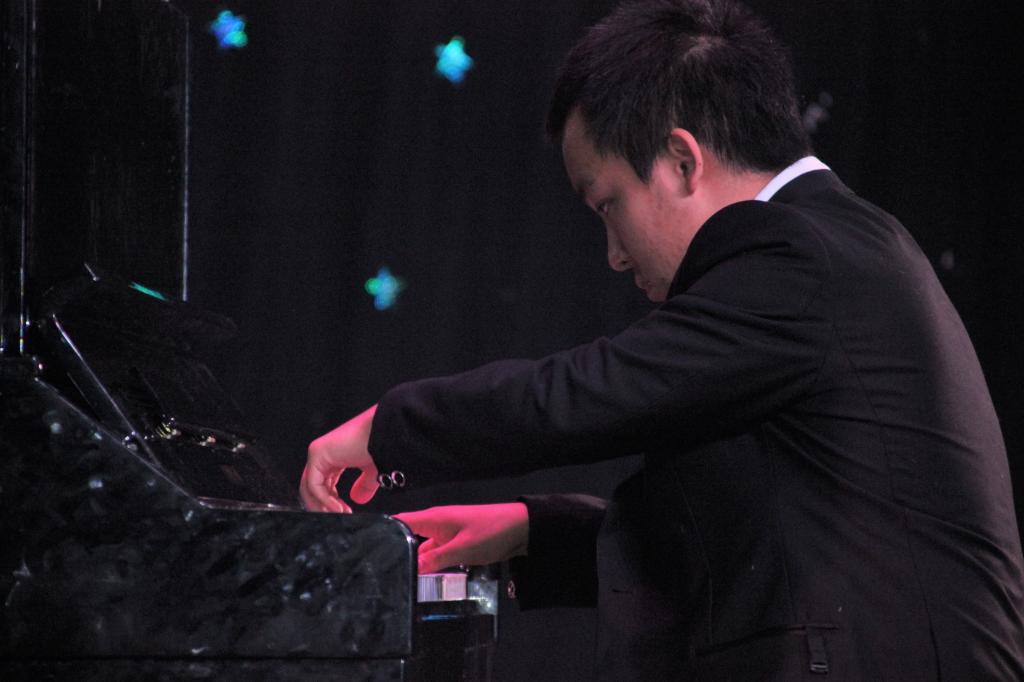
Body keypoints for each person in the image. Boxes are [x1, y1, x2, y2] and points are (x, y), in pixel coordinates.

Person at [300, 0, 1024, 678]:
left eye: (608, 205)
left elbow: (593, 390)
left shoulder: (799, 255)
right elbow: (744, 539)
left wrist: (394, 428)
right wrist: (528, 529)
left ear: (682, 161)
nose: (614, 254)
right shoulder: (833, 248)